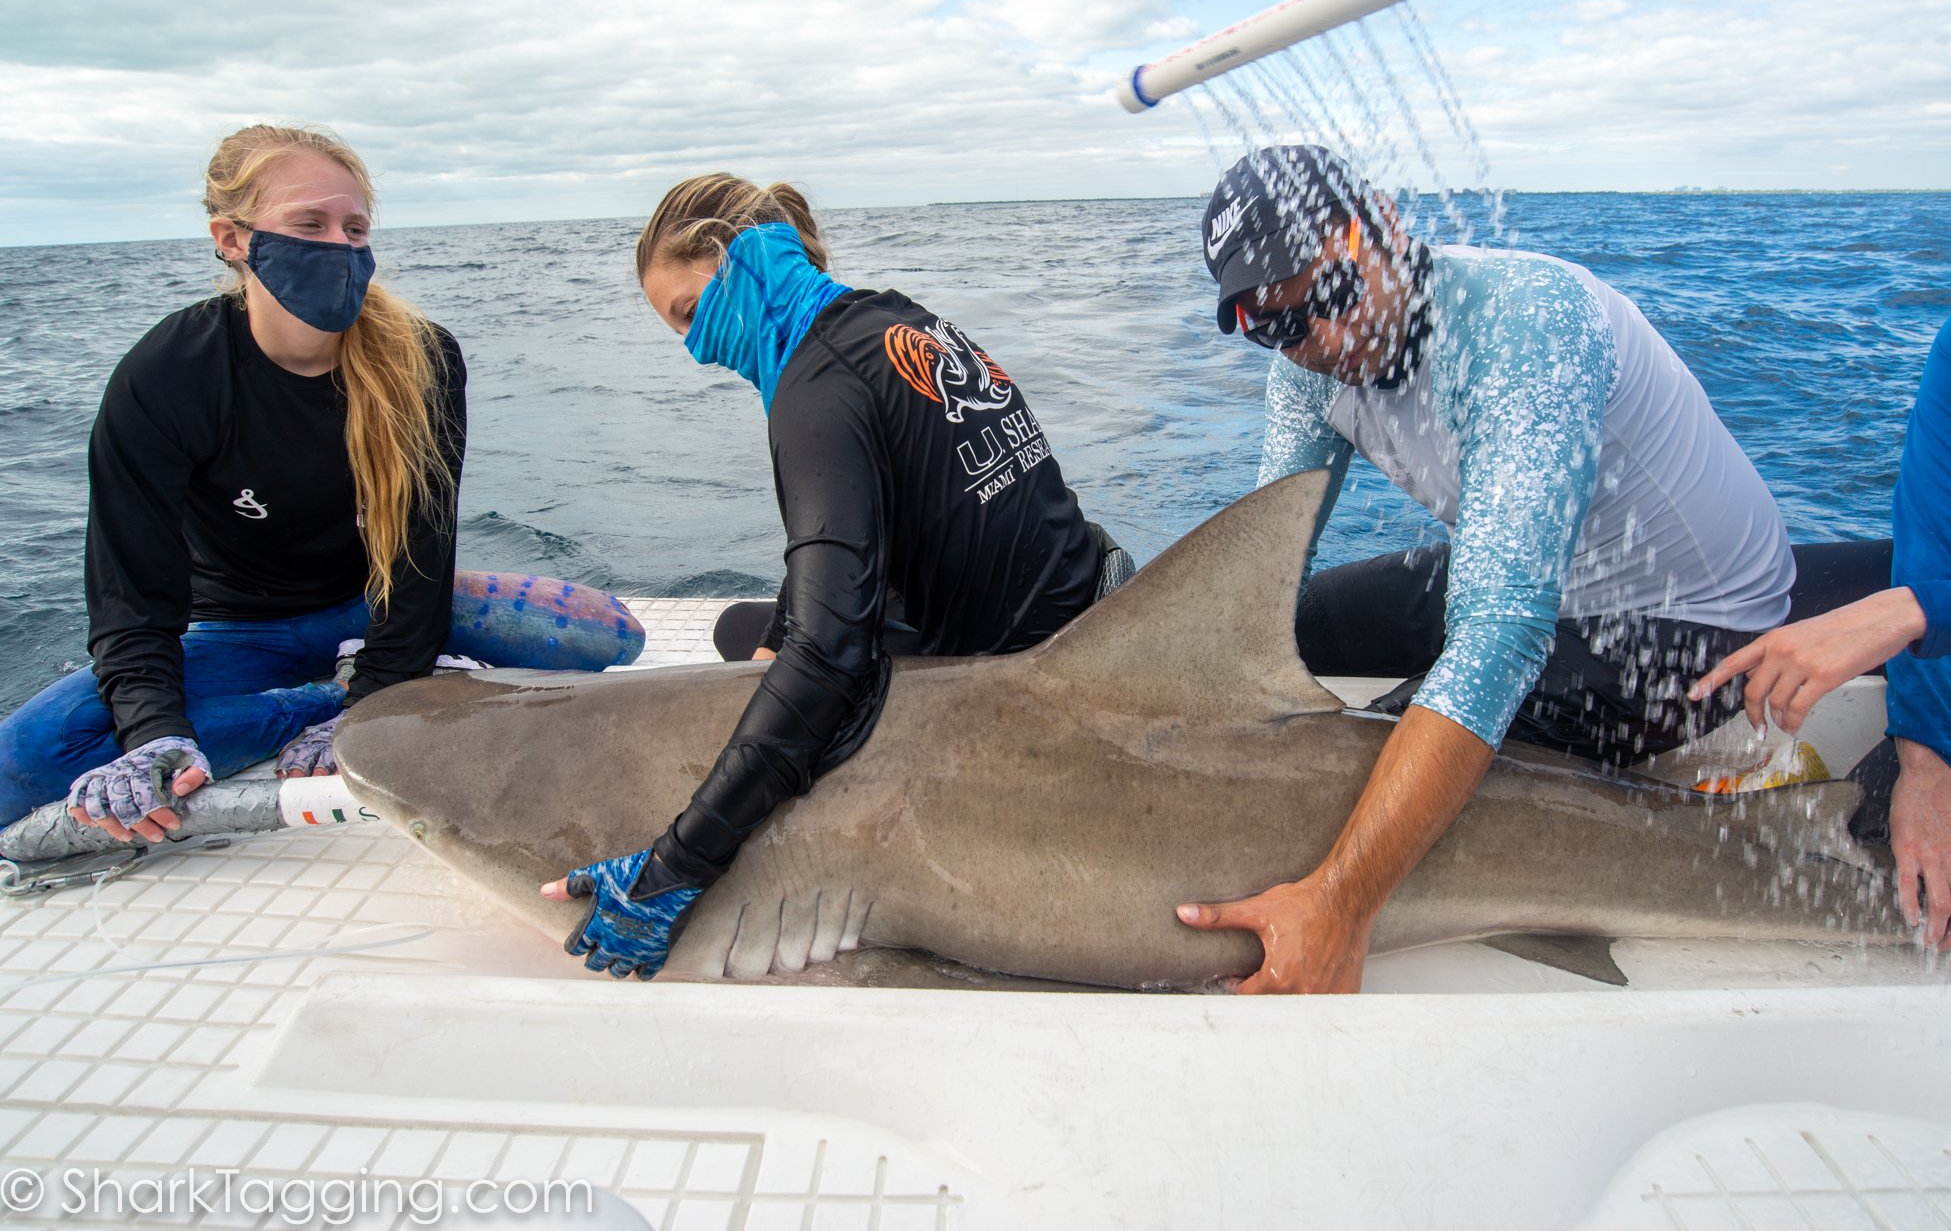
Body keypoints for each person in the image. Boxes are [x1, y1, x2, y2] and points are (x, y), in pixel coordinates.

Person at [1174, 145, 1796, 994]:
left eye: (1331, 292)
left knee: (1356, 772)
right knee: (1305, 615)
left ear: (1386, 225)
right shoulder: (1307, 369)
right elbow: (1265, 565)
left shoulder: (1528, 321)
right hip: (1546, 573)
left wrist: (1345, 903)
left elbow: (1501, 635)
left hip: (1693, 631)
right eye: (1281, 325)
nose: (1322, 336)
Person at [542, 174, 1129, 979]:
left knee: (795, 682)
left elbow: (830, 660)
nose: (695, 348)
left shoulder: (813, 391)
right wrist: (779, 644)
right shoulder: (890, 316)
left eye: (687, 312)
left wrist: (676, 867)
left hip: (1021, 676)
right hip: (1095, 593)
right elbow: (861, 535)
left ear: (726, 258)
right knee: (745, 634)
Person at [0, 125, 643, 845]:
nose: (340, 245)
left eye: (355, 226)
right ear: (232, 238)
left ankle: (364, 683)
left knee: (611, 638)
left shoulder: (421, 356)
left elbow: (420, 557)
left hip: (375, 606)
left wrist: (371, 701)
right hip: (238, 628)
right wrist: (155, 732)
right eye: (310, 223)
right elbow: (130, 600)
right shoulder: (166, 376)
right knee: (18, 764)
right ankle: (307, 701)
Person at [1692, 287, 1951, 951]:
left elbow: (1928, 597)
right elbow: (1938, 550)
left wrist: (1915, 612)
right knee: (1734, 604)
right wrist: (1930, 767)